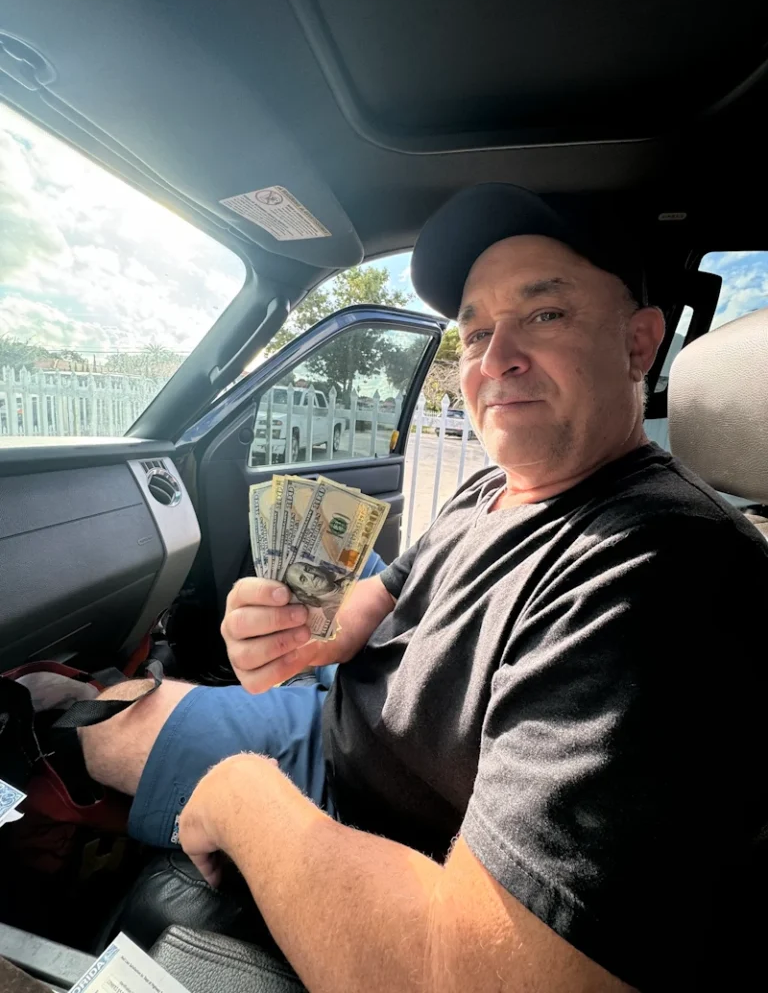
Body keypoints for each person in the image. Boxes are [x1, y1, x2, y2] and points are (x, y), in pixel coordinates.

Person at [80, 184, 768, 992]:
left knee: (102, 733)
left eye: (544, 314)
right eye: (476, 330)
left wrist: (241, 796)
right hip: (340, 725)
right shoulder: (493, 488)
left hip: (365, 806)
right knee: (116, 708)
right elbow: (376, 601)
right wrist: (297, 635)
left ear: (639, 343)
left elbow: (483, 976)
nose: (495, 357)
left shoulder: (660, 573)